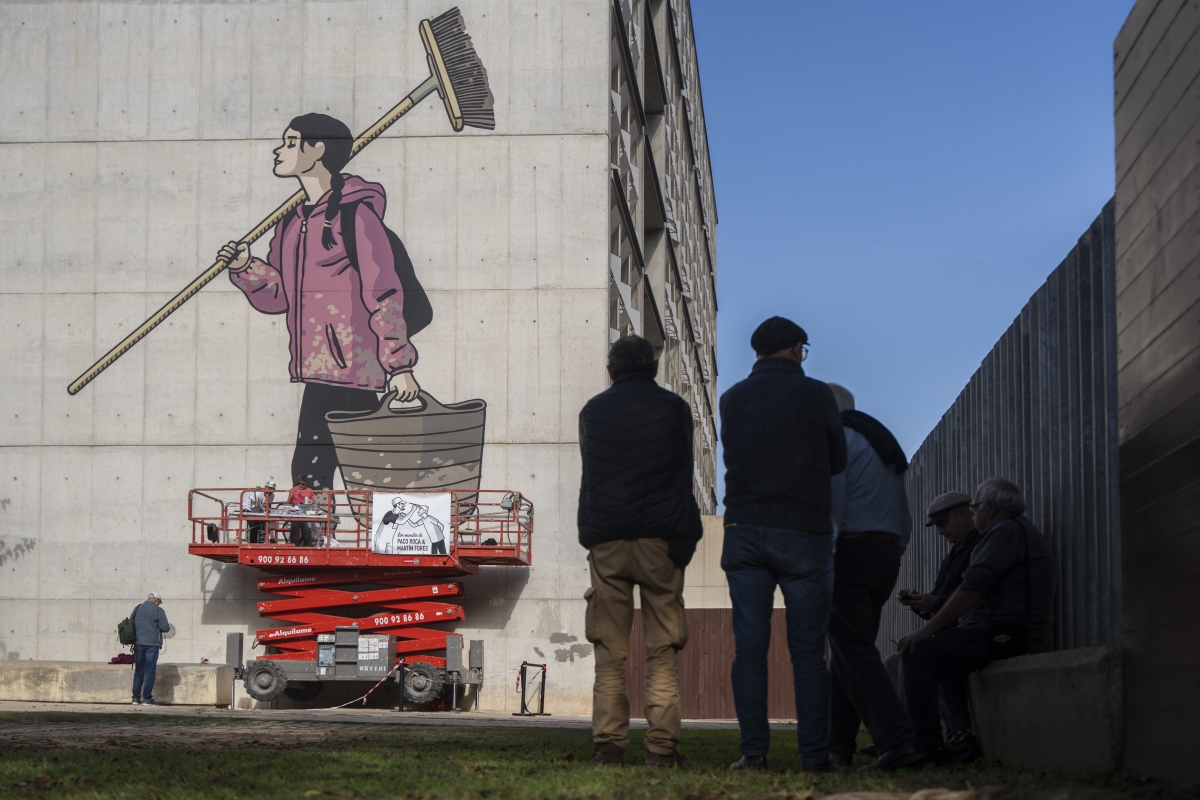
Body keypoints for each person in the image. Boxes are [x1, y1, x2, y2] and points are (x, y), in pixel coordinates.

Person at [218, 113, 422, 493]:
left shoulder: (356, 216)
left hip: (353, 373)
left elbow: (384, 293)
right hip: (318, 369)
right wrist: (247, 267)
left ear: (317, 150)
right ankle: (314, 537)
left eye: (291, 142)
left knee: (357, 473)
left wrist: (399, 366)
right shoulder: (290, 224)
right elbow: (280, 297)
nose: (279, 150)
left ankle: (364, 538)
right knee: (313, 471)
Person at [719, 317, 846, 772]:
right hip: (804, 531)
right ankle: (814, 756)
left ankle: (753, 753)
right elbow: (837, 459)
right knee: (809, 651)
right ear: (797, 350)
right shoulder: (817, 395)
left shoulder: (732, 398)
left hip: (746, 530)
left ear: (756, 351)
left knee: (748, 650)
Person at [578, 335, 702, 768]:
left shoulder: (594, 410)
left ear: (611, 370)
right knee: (662, 651)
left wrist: (588, 534)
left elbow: (589, 476)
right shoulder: (674, 409)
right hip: (660, 541)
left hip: (608, 539)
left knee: (609, 652)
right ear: (653, 367)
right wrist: (685, 540)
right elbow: (682, 477)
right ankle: (661, 749)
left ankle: (608, 746)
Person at [898, 478, 1058, 761]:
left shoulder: (1006, 531)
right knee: (941, 652)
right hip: (997, 630)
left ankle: (925, 747)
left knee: (917, 653)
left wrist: (926, 631)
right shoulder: (1009, 532)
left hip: (1008, 633)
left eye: (975, 509)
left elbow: (972, 589)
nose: (974, 515)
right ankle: (957, 738)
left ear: (991, 508)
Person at [823, 383, 923, 771]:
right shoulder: (881, 442)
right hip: (883, 553)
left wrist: (824, 551)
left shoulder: (838, 439)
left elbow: (833, 499)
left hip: (848, 550)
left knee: (855, 652)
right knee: (848, 651)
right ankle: (838, 747)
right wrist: (896, 549)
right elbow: (902, 511)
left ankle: (898, 742)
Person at [889, 491, 982, 754]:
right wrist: (920, 603)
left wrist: (935, 604)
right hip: (959, 629)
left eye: (943, 524)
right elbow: (940, 607)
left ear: (964, 515)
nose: (940, 531)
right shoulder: (953, 555)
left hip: (976, 630)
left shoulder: (979, 547)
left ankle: (951, 737)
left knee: (927, 653)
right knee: (899, 659)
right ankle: (907, 737)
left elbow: (967, 597)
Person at [131, 592, 171, 706]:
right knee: (149, 671)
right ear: (157, 600)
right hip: (152, 644)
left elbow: (131, 622)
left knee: (139, 671)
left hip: (138, 643)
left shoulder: (138, 608)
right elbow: (165, 627)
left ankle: (135, 698)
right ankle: (147, 699)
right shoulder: (158, 610)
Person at [288, 475, 315, 546]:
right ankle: (293, 550)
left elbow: (313, 502)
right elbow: (288, 503)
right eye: (299, 483)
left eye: (303, 484)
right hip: (295, 514)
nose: (301, 485)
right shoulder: (293, 490)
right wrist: (291, 498)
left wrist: (310, 501)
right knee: (294, 534)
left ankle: (306, 551)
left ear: (306, 483)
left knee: (307, 534)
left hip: (305, 514)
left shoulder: (309, 490)